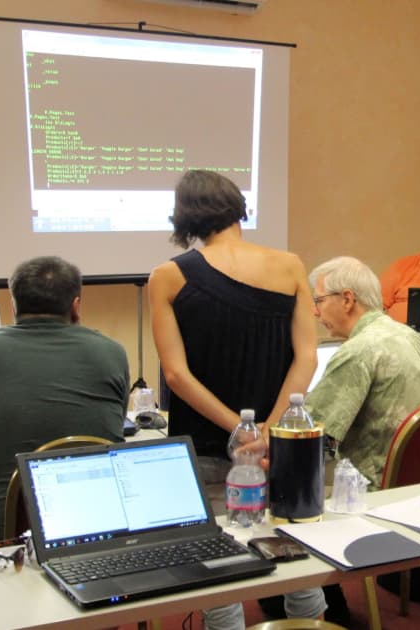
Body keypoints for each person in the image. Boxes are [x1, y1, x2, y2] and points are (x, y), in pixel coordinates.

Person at [148, 170, 324, 627]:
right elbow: (307, 357)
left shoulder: (167, 277)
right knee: (296, 554)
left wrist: (238, 429)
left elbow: (175, 375)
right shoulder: (290, 266)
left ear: (182, 218)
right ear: (238, 208)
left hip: (206, 444)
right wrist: (267, 430)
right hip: (280, 443)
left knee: (219, 571)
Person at [0, 256, 128, 550]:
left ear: (13, 306)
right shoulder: (111, 352)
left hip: (4, 544)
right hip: (101, 536)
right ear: (75, 306)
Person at [305, 256, 420, 486]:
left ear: (347, 299)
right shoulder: (409, 335)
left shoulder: (358, 350)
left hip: (373, 490)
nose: (315, 312)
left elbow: (309, 431)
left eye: (319, 300)